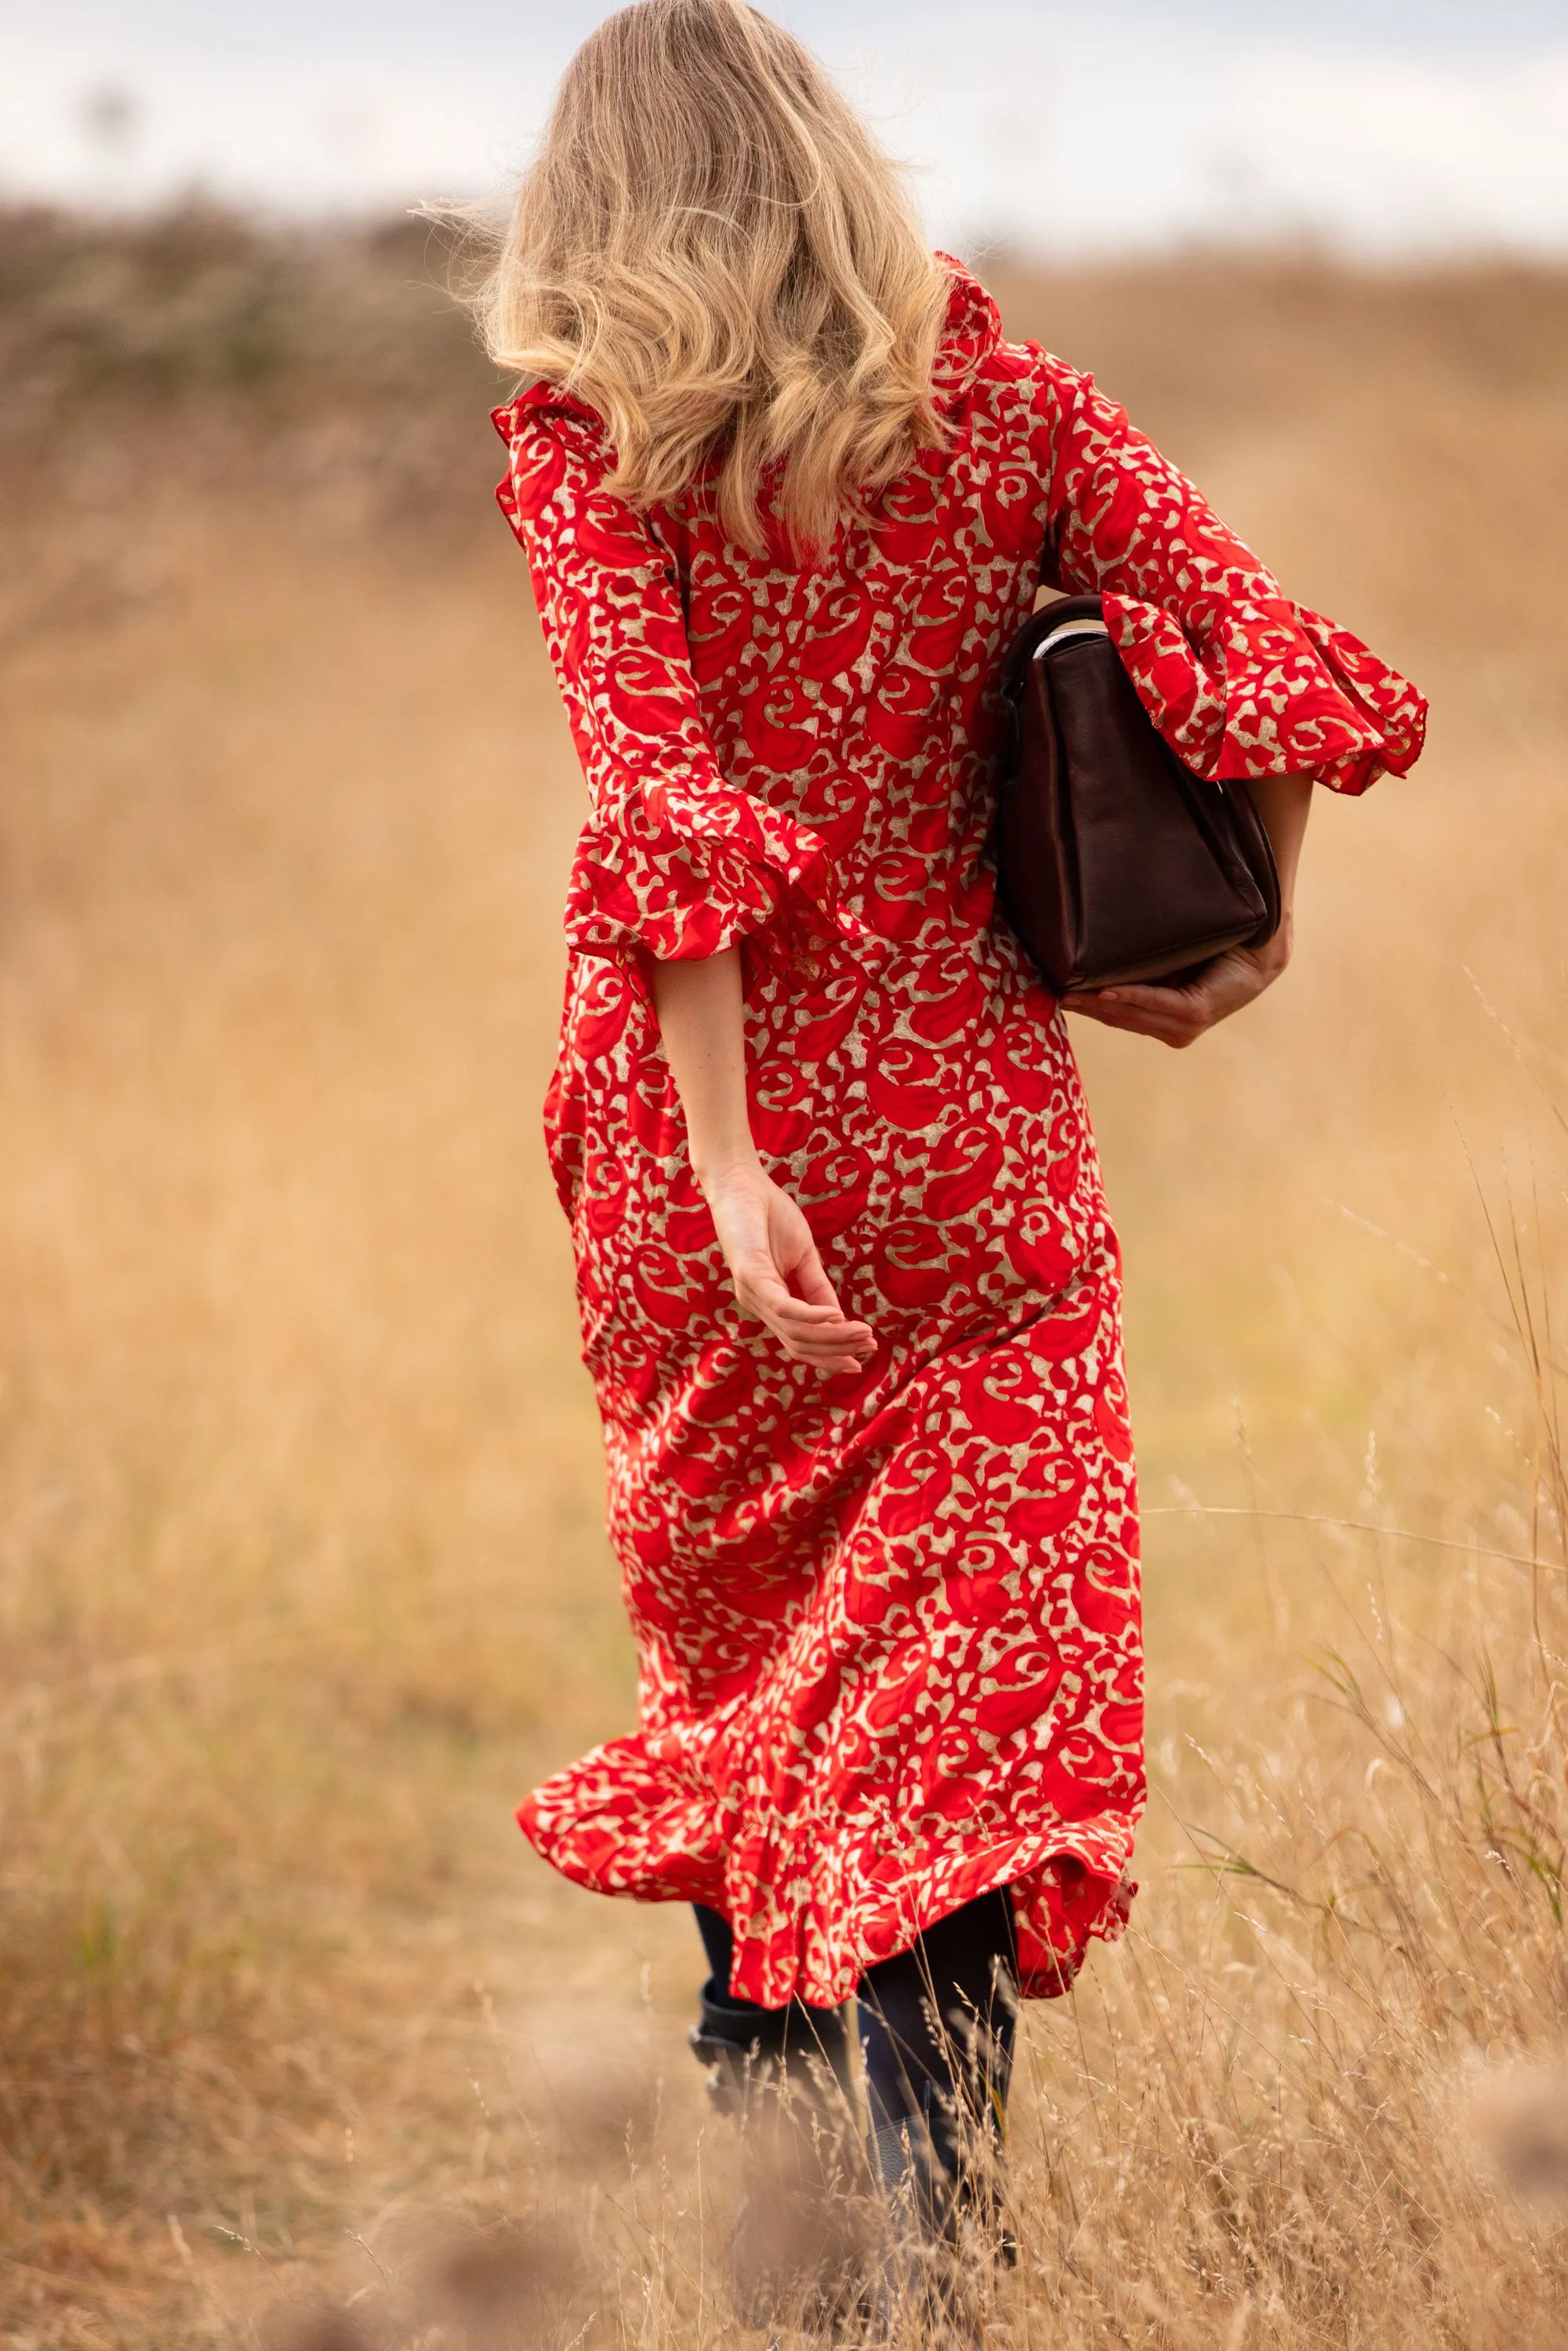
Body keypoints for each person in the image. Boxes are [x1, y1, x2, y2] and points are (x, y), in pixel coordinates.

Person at [474, 0, 1425, 2324]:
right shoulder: (1001, 402)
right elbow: (1265, 652)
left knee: (764, 1712)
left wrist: (719, 1157)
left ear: (596, 205)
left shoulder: (601, 453)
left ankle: (801, 2279)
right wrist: (1252, 931)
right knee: (961, 1763)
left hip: (716, 1180)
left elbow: (668, 822)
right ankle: (951, 2276)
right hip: (978, 1140)